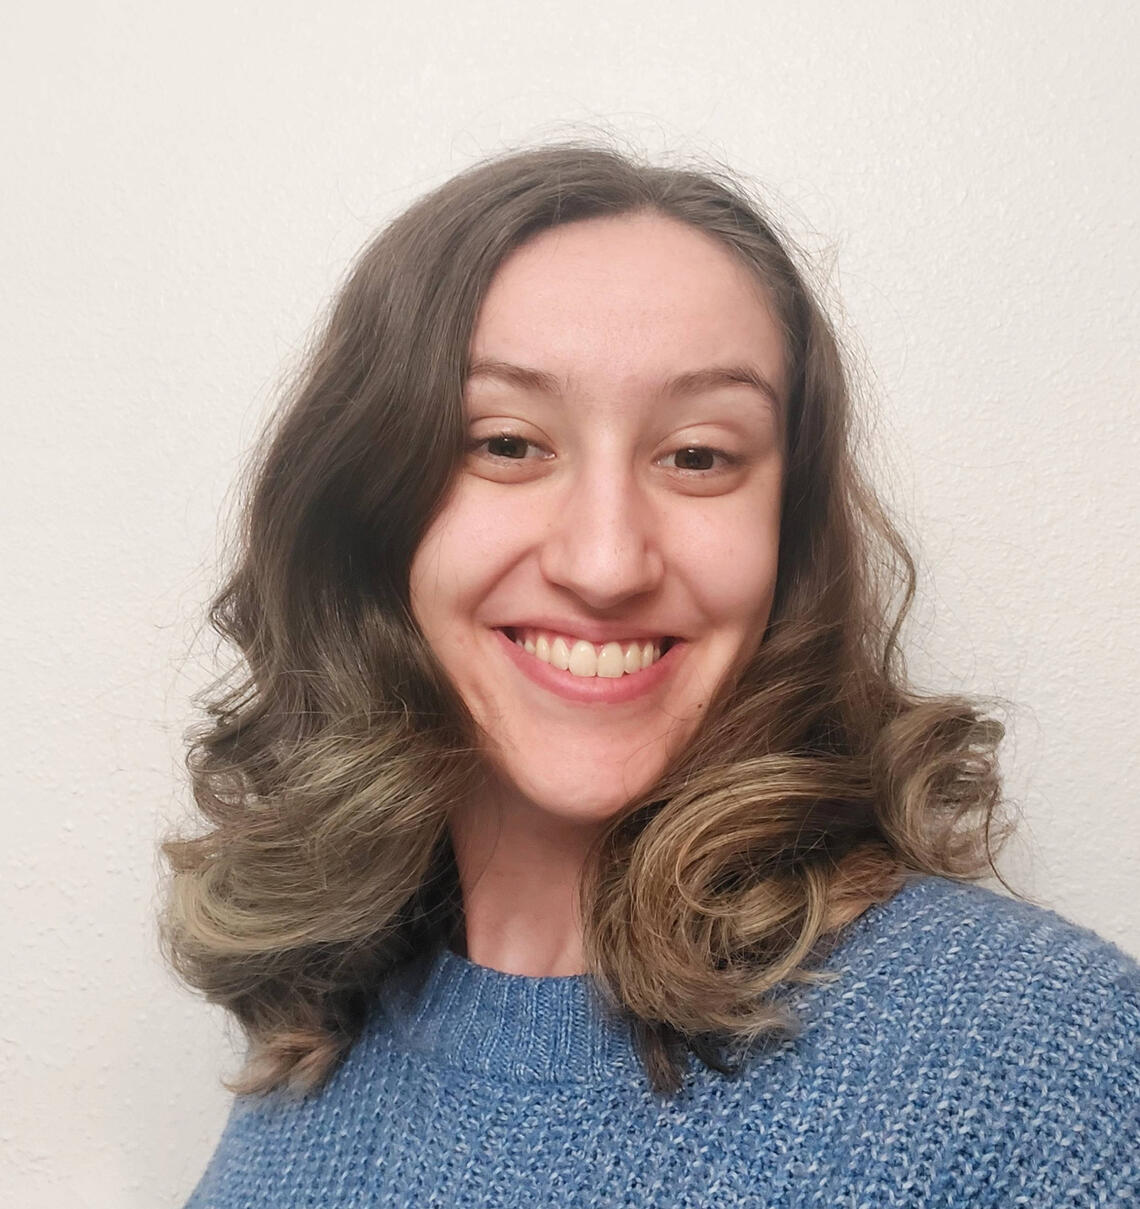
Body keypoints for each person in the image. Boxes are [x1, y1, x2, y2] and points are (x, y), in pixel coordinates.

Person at [164, 143, 1139, 1207]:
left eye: (698, 456)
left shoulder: (1051, 1061)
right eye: (506, 443)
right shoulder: (307, 1052)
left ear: (787, 541)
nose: (606, 562)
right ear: (364, 511)